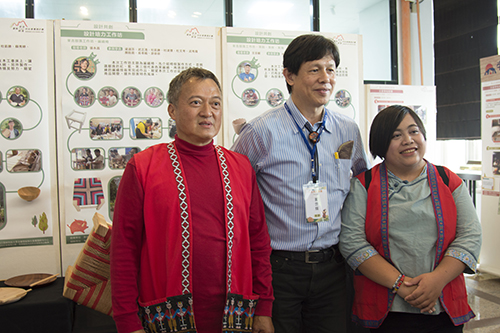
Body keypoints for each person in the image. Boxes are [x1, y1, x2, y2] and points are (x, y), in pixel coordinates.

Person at [110, 67, 274, 333]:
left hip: (236, 314)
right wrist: (127, 321)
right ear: (172, 111)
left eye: (215, 103)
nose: (207, 112)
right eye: (196, 102)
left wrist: (264, 308)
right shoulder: (143, 167)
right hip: (167, 316)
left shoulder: (241, 167)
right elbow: (124, 250)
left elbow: (258, 242)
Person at [232, 34, 369, 333]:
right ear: (290, 75)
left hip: (333, 267)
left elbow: (362, 182)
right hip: (279, 269)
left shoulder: (347, 130)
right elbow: (234, 196)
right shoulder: (261, 132)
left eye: (331, 69)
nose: (326, 79)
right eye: (315, 69)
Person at [339, 105, 482, 332]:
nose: (408, 140)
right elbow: (352, 242)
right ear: (380, 143)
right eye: (396, 135)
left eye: (414, 131)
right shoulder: (364, 184)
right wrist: (402, 286)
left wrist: (436, 281)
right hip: (386, 310)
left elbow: (470, 236)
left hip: (442, 303)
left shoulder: (448, 180)